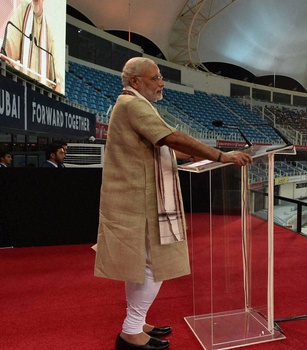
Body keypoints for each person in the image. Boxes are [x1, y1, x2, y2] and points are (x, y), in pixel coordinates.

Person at [94, 57, 252, 350]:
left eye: (160, 77)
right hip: (140, 200)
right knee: (155, 264)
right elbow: (172, 138)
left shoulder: (130, 104)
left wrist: (194, 155)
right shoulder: (133, 104)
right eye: (155, 78)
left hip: (136, 198)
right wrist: (222, 155)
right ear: (136, 82)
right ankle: (130, 331)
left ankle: (136, 324)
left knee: (140, 266)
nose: (161, 82)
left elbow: (158, 149)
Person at [2, 0, 62, 92]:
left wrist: (57, 84)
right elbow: (8, 51)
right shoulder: (23, 11)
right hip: (22, 88)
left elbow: (56, 77)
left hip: (40, 98)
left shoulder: (48, 31)